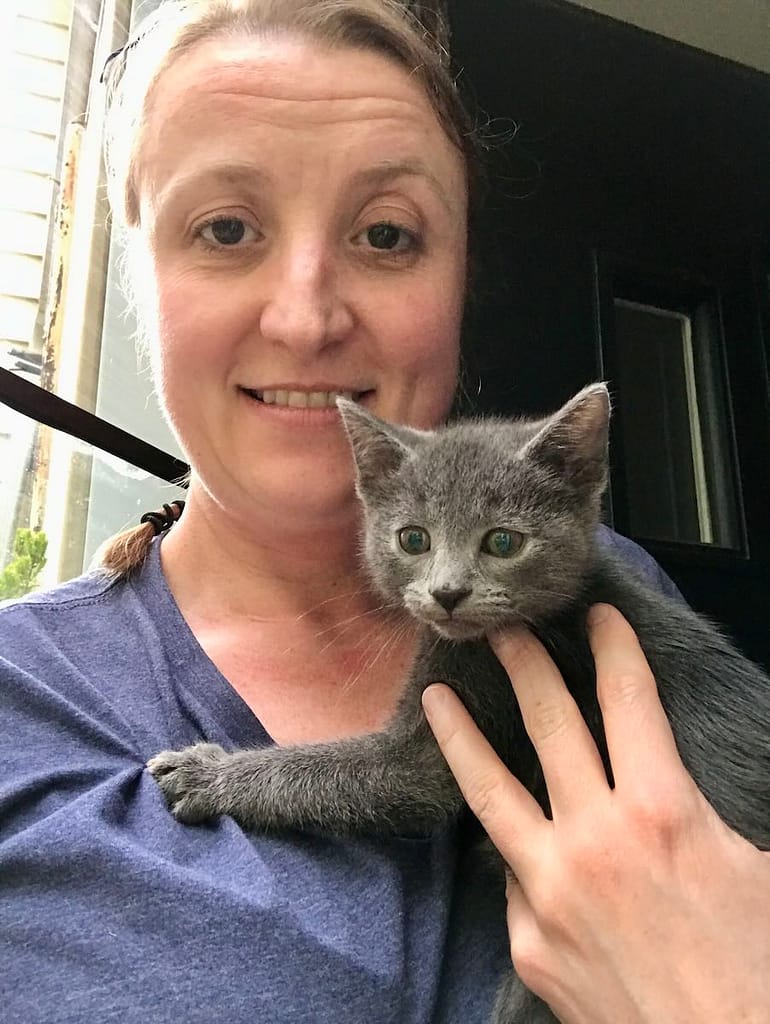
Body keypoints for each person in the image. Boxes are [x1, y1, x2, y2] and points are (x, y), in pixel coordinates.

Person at [0, 2, 767, 1022]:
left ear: (462, 275)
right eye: (225, 228)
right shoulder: (24, 704)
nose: (306, 317)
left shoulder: (607, 591)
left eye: (386, 233)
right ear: (137, 270)